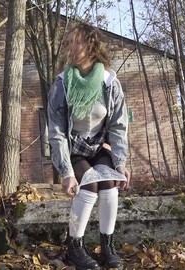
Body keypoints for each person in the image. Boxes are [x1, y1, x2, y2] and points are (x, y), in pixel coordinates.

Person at [47, 23, 131, 270]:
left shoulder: (109, 82)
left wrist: (121, 161)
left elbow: (118, 125)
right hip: (73, 149)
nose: (69, 48)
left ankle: (107, 248)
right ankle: (74, 248)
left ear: (92, 47)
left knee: (110, 182)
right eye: (67, 43)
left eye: (76, 42)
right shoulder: (62, 85)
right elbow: (57, 132)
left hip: (98, 146)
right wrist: (66, 172)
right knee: (90, 183)